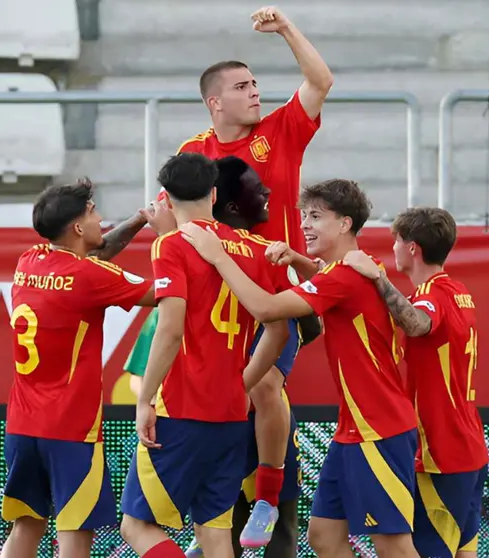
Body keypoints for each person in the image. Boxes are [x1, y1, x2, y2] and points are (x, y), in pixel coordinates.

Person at [180, 179, 420, 558]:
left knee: (394, 547)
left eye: (316, 217)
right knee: (324, 537)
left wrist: (218, 256)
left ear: (344, 224)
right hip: (352, 431)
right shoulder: (358, 266)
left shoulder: (345, 275)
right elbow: (326, 281)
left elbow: (265, 308)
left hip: (380, 427)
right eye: (304, 215)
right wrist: (296, 259)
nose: (305, 224)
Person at [178, 6, 333, 542]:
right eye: (242, 86)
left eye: (256, 83)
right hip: (215, 301)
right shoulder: (193, 152)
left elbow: (321, 80)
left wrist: (287, 28)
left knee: (263, 382)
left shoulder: (281, 130)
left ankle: (268, 499)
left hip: (275, 292)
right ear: (214, 101)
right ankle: (212, 526)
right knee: (218, 400)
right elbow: (177, 223)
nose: (254, 92)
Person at [119, 153, 290, 558]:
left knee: (136, 525)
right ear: (213, 194)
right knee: (215, 533)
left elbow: (171, 327)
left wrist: (145, 400)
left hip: (180, 410)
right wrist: (242, 382)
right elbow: (278, 328)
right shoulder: (255, 248)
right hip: (231, 412)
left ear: (167, 198)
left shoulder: (172, 245)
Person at [1, 179, 159, 558]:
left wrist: (140, 219)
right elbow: (166, 294)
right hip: (71, 430)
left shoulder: (30, 260)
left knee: (26, 526)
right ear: (76, 227)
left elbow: (94, 256)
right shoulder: (90, 278)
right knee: (75, 534)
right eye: (93, 211)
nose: (101, 218)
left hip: (22, 426)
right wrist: (172, 238)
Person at [343, 208, 489, 558]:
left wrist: (378, 280)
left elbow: (418, 323)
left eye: (396, 240)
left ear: (412, 248)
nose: (391, 247)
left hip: (442, 452)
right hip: (468, 447)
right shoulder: (459, 291)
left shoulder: (433, 294)